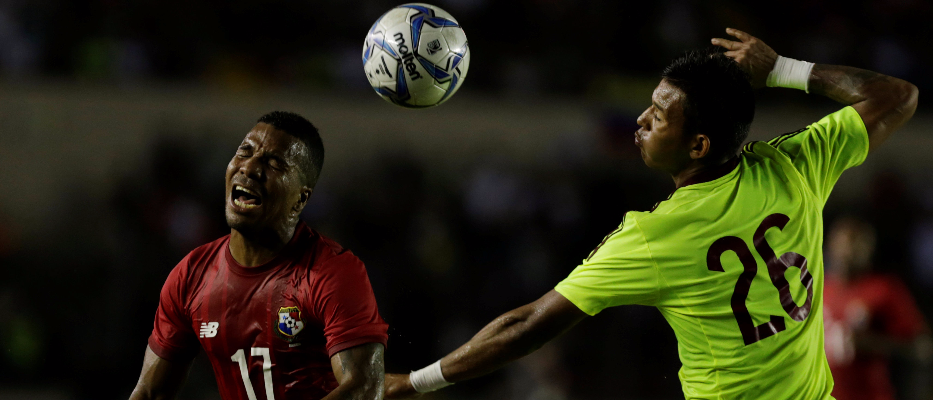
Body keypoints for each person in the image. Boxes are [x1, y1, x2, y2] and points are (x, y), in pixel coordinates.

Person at [385, 28, 919, 399]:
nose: (641, 120)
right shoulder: (799, 164)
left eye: (659, 116)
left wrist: (414, 382)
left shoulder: (656, 234)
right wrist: (782, 69)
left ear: (698, 146)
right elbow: (895, 94)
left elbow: (527, 325)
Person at [129, 111, 388, 400]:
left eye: (274, 163)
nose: (249, 168)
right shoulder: (191, 275)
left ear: (300, 199)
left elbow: (363, 388)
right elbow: (151, 393)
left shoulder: (332, 272)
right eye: (244, 152)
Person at [823, 217, 932, 400]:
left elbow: (922, 347)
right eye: (844, 243)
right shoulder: (818, 290)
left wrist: (869, 343)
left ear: (869, 249)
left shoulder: (884, 289)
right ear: (830, 244)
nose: (849, 251)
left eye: (857, 244)